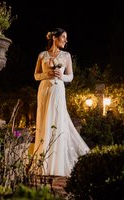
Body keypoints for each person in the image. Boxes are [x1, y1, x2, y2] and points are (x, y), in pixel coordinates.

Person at [33, 28, 90, 177]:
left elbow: (70, 76)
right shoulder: (42, 55)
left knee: (58, 122)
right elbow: (36, 75)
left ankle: (56, 164)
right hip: (44, 89)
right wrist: (47, 74)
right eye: (63, 37)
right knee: (44, 121)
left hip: (58, 89)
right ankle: (42, 163)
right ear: (54, 38)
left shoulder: (66, 55)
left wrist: (61, 76)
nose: (66, 40)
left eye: (66, 38)